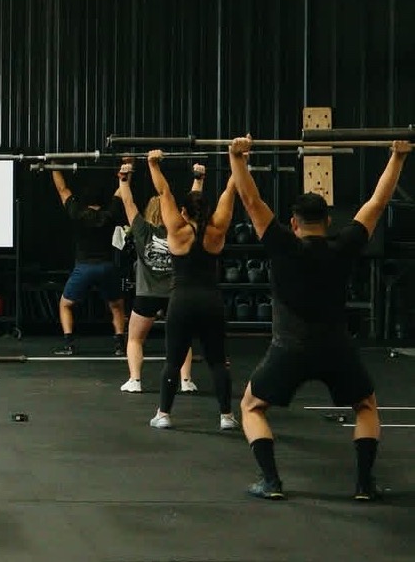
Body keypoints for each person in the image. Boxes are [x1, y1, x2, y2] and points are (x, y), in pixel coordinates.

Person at [228, 135, 410, 501]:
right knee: (366, 406)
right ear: (327, 220)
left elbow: (250, 200)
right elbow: (377, 202)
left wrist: (237, 157)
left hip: (289, 348)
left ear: (293, 223)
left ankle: (271, 482)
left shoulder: (282, 244)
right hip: (336, 348)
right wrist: (397, 157)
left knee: (251, 406)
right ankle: (364, 485)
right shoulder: (344, 246)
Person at [145, 150, 239, 431]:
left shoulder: (176, 229)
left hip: (182, 302)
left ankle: (163, 414)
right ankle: (226, 416)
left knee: (173, 361)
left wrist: (153, 163)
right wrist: (239, 161)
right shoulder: (217, 230)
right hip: (211, 301)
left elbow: (164, 192)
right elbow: (231, 189)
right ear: (207, 211)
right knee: (218, 361)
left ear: (184, 212)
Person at [114, 161, 200, 393]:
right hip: (175, 295)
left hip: (147, 295)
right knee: (182, 339)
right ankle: (186, 381)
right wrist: (198, 178)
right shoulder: (180, 230)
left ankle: (135, 380)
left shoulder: (142, 229)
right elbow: (194, 203)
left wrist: (123, 179)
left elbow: (128, 202)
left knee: (135, 339)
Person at [49, 170, 126, 356]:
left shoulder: (77, 213)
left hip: (84, 268)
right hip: (107, 267)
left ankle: (69, 344)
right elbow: (122, 189)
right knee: (117, 306)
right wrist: (126, 169)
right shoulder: (110, 213)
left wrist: (54, 167)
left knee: (65, 305)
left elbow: (62, 189)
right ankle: (119, 345)